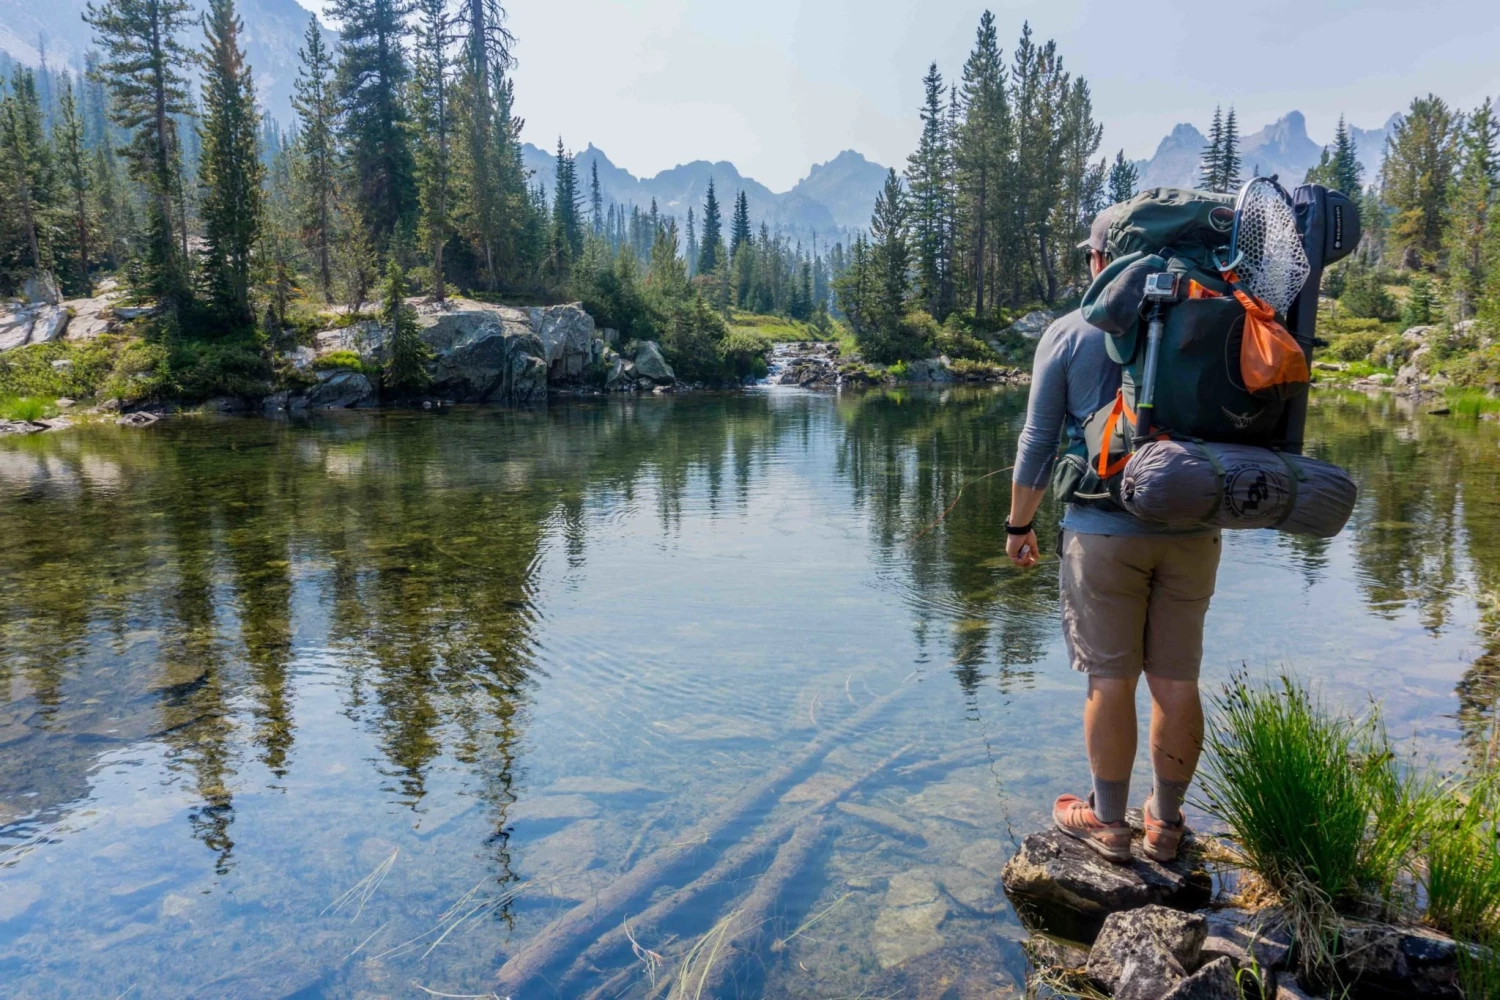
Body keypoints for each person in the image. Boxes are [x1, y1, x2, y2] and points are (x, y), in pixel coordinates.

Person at [1004, 205, 1222, 864]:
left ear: (1101, 260)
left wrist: (1020, 524)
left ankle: (1107, 825)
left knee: (1110, 680)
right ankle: (1166, 823)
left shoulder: (1071, 331)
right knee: (1176, 681)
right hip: (1194, 527)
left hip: (1102, 530)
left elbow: (1038, 441)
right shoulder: (1210, 321)